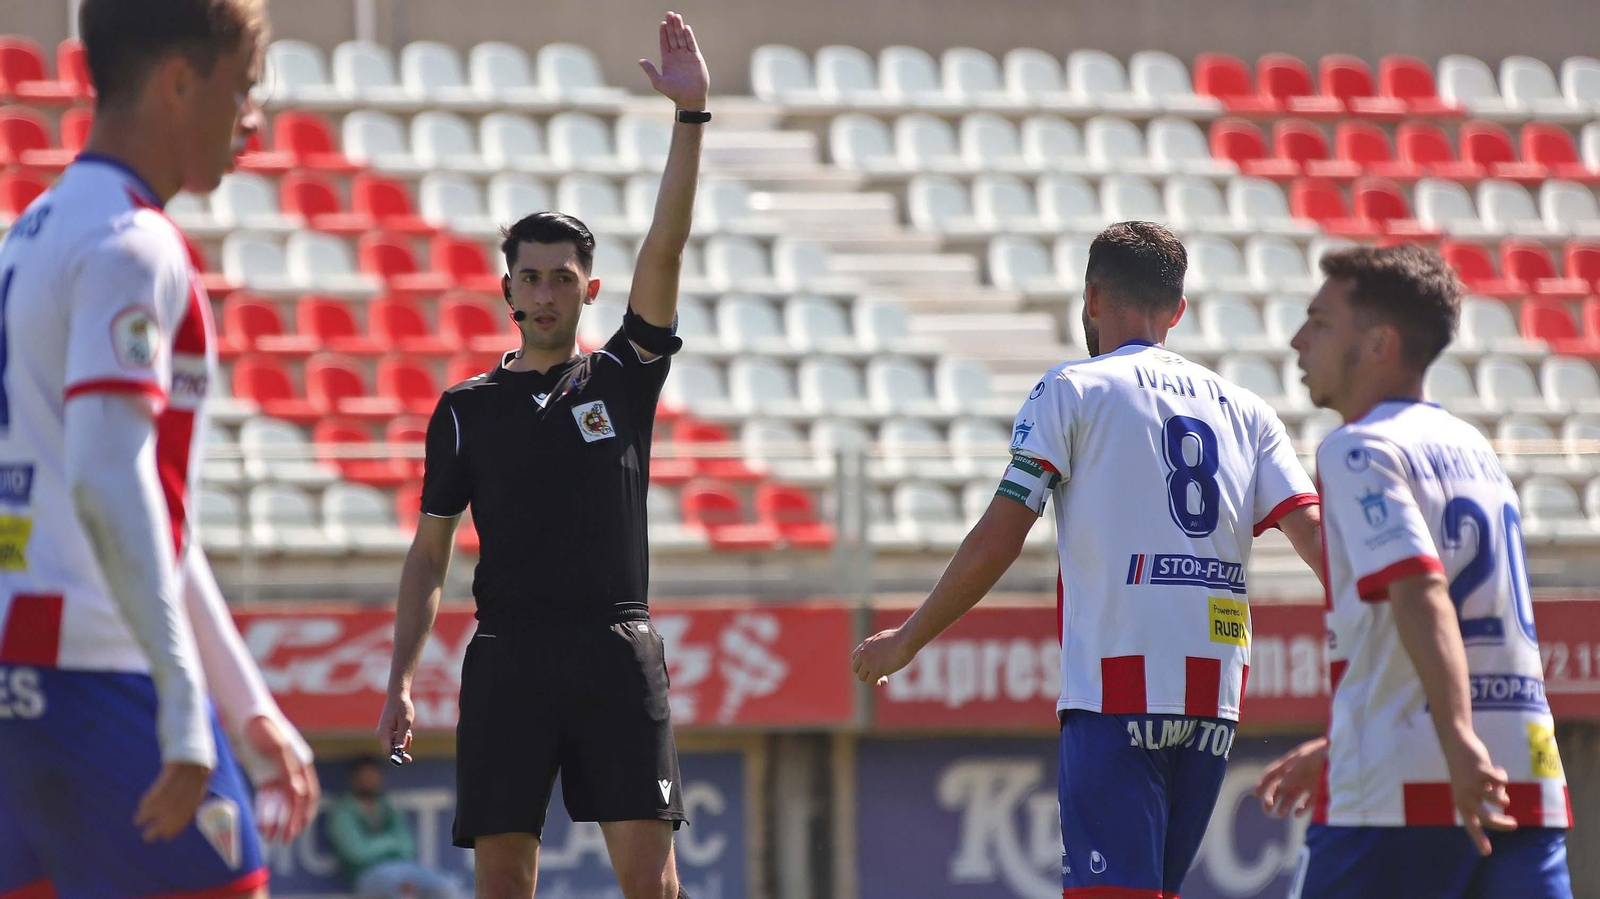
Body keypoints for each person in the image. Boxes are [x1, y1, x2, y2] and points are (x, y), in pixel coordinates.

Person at [852, 221, 1325, 898]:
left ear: (1092, 296)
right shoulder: (1248, 410)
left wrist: (908, 637)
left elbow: (1002, 533)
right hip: (1215, 695)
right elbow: (1319, 541)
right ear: (1178, 311)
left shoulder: (1072, 389)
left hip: (1116, 687)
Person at [376, 11, 708, 899]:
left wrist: (691, 121)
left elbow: (665, 246)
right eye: (532, 275)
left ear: (589, 288)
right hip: (507, 656)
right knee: (503, 886)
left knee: (654, 884)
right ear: (507, 289)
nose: (548, 289)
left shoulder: (623, 376)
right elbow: (430, 552)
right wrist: (401, 677)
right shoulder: (464, 410)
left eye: (565, 276)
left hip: (615, 647)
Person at [0, 1, 319, 897]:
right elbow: (111, 480)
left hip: (23, 681)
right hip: (102, 675)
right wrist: (187, 704)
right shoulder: (133, 245)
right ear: (181, 81)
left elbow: (151, 513)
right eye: (245, 87)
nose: (253, 117)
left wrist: (244, 699)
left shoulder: (31, 233)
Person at [1250, 244, 1571, 899]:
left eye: (1319, 321)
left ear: (1378, 344)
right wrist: (1346, 740)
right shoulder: (1475, 448)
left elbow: (1422, 591)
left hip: (1407, 789)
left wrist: (1452, 738)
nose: (1296, 339)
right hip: (1524, 769)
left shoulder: (1359, 447)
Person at [327, 758, 461, 899]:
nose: (369, 781)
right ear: (354, 779)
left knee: (446, 886)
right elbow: (357, 853)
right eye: (364, 777)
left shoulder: (387, 806)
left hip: (404, 867)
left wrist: (377, 844)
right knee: (400, 889)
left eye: (373, 777)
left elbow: (407, 845)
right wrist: (390, 843)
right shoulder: (343, 810)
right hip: (367, 874)